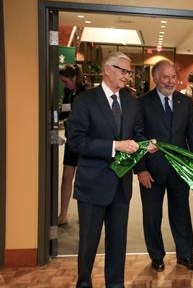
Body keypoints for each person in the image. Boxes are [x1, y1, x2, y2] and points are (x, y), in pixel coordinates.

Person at [66, 52, 158, 288]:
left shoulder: (131, 101)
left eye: (129, 72)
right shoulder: (85, 100)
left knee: (117, 242)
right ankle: (84, 283)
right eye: (123, 70)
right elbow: (76, 141)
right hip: (92, 184)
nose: (128, 76)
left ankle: (115, 284)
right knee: (88, 242)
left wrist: (146, 145)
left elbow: (136, 137)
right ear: (107, 69)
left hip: (120, 185)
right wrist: (115, 146)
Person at [135, 60, 193, 273]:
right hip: (151, 172)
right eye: (166, 77)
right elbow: (137, 138)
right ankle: (156, 256)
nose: (170, 81)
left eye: (173, 76)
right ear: (155, 78)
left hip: (180, 171)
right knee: (152, 216)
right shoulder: (142, 103)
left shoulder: (185, 101)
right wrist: (141, 169)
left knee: (181, 214)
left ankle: (185, 255)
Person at [57, 64, 89, 225]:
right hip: (71, 142)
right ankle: (63, 213)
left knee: (83, 180)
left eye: (65, 81)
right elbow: (65, 111)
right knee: (66, 177)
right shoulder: (68, 92)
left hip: (84, 143)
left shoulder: (87, 93)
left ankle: (86, 214)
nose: (64, 84)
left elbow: (86, 118)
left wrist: (68, 121)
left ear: (74, 78)